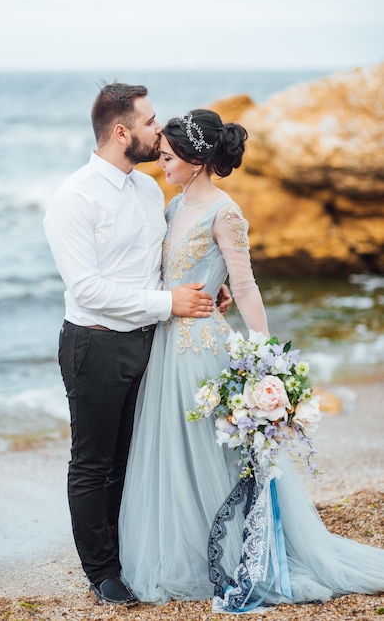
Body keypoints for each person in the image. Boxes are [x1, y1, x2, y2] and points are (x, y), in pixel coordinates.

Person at [119, 109, 384, 612]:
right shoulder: (173, 209)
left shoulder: (226, 212)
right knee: (174, 453)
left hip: (201, 349)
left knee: (209, 455)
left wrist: (265, 358)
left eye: (170, 158)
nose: (163, 164)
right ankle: (184, 551)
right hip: (166, 343)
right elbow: (177, 277)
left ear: (197, 162)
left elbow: (245, 286)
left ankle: (234, 554)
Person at [43, 84, 232, 607]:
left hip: (151, 342)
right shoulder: (74, 198)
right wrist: (169, 303)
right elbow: (89, 291)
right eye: (150, 122)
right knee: (93, 460)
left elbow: (161, 269)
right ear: (121, 131)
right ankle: (102, 572)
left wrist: (205, 292)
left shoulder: (151, 192)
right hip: (95, 345)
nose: (160, 130)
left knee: (131, 456)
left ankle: (128, 554)